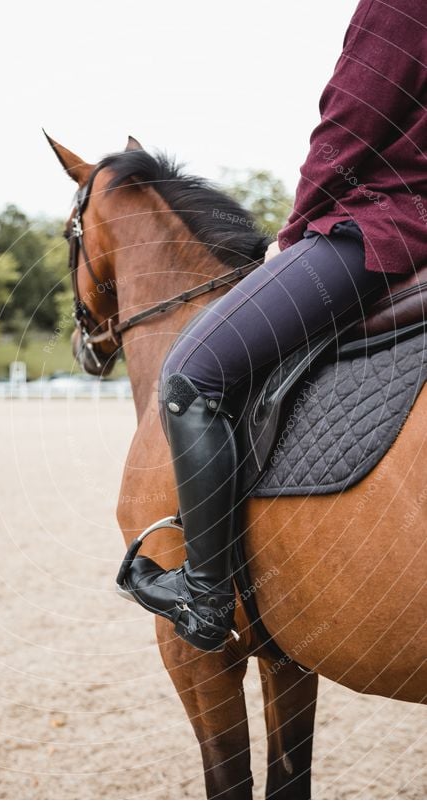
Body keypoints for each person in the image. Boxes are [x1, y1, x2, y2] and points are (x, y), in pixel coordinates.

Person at [120, 0, 427, 651]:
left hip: (383, 224)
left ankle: (205, 597)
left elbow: (349, 127)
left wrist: (291, 236)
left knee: (189, 372)